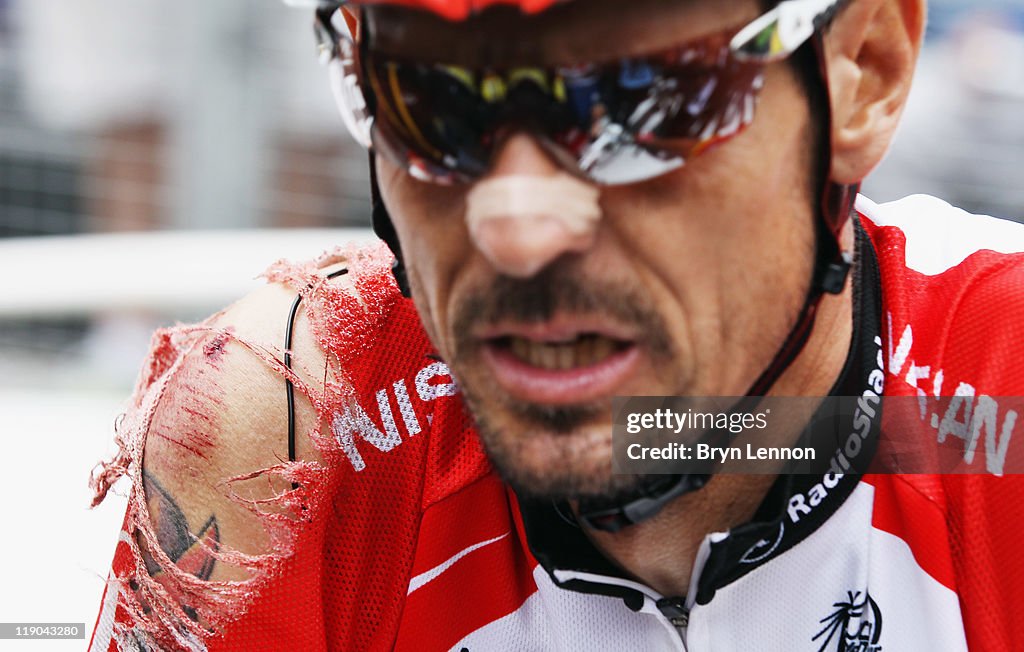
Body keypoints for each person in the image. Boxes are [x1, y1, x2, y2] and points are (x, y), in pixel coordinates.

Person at [88, 0, 1024, 650]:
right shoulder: (298, 436)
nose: (518, 228)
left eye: (636, 99)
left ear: (864, 69)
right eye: (432, 103)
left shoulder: (1002, 401)